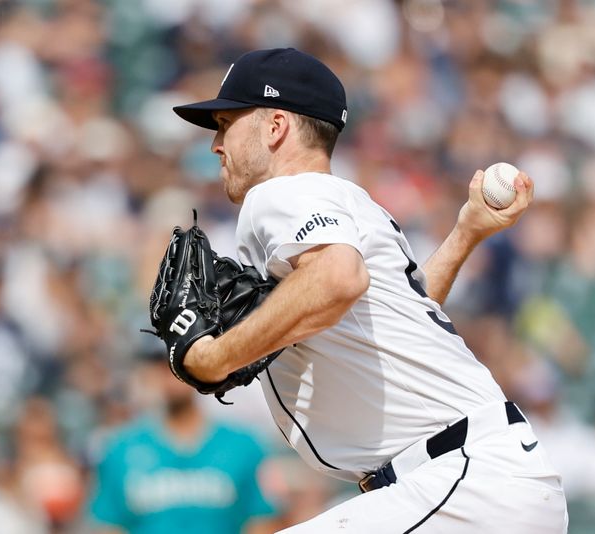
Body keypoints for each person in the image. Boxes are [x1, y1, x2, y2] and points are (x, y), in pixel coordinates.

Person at [171, 48, 568, 533]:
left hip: (462, 484)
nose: (216, 142)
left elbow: (339, 278)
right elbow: (398, 318)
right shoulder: (353, 203)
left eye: (226, 121)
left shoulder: (278, 193)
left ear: (275, 126)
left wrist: (214, 358)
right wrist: (465, 234)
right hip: (479, 480)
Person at [88, 348, 278, 534]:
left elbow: (260, 521)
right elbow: (109, 524)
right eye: (162, 365)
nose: (172, 373)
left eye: (181, 361)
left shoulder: (243, 446)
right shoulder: (120, 449)